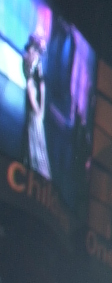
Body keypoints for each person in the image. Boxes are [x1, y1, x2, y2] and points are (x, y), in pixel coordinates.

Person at [22, 34, 50, 179]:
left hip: (36, 100)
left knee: (35, 130)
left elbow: (41, 84)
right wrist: (38, 107)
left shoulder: (36, 60)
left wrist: (41, 108)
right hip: (33, 100)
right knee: (32, 129)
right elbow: (30, 83)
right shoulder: (29, 58)